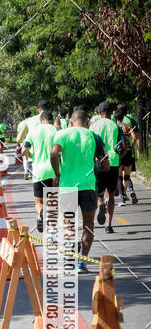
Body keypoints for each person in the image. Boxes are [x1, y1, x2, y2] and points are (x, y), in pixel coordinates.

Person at [50, 108, 109, 273]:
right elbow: (106, 165)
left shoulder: (62, 134)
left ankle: (69, 258)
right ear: (87, 123)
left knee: (68, 224)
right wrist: (96, 165)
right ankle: (82, 263)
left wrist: (57, 173)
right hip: (88, 185)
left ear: (71, 122)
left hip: (68, 185)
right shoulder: (94, 137)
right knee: (88, 225)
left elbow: (54, 154)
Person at [22, 109, 56, 232]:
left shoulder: (33, 131)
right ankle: (52, 230)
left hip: (38, 172)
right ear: (51, 121)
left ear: (41, 120)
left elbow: (23, 151)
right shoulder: (56, 131)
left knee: (38, 201)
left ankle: (41, 211)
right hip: (54, 171)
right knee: (52, 202)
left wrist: (32, 156)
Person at [90, 101, 120, 233]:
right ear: (111, 112)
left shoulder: (93, 126)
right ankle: (109, 225)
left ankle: (100, 204)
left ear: (99, 112)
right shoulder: (116, 126)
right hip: (113, 162)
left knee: (99, 193)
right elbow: (123, 146)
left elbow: (90, 145)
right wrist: (119, 156)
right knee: (111, 195)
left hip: (99, 162)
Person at [16, 99, 51, 179]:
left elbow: (18, 139)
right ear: (49, 109)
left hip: (37, 163)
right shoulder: (53, 120)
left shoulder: (29, 121)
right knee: (52, 190)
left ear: (38, 110)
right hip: (52, 163)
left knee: (40, 190)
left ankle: (27, 172)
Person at [117, 113, 139, 205]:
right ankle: (132, 191)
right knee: (127, 177)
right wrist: (131, 147)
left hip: (119, 152)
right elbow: (135, 137)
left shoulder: (115, 127)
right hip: (128, 151)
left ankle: (122, 199)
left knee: (119, 177)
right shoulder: (127, 126)